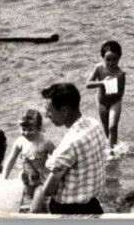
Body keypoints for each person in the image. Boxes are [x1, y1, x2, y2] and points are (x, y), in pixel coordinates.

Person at [29, 82, 109, 214]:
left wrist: (39, 183)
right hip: (92, 203)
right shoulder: (94, 124)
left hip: (68, 210)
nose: (46, 115)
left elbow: (49, 190)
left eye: (49, 110)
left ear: (64, 111)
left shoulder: (70, 143)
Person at [3, 109, 56, 211]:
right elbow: (10, 161)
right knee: (20, 205)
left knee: (35, 207)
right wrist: (4, 178)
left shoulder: (45, 142)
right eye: (23, 129)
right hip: (25, 179)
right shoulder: (20, 142)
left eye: (31, 129)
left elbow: (59, 159)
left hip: (41, 181)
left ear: (39, 128)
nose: (26, 133)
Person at [85, 40, 126, 147]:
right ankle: (111, 147)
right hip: (101, 101)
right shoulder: (99, 68)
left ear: (119, 58)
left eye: (114, 60)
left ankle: (113, 151)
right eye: (108, 59)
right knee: (106, 127)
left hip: (115, 102)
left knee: (112, 126)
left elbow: (121, 93)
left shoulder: (120, 73)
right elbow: (88, 84)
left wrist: (112, 85)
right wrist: (103, 83)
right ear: (103, 58)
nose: (111, 63)